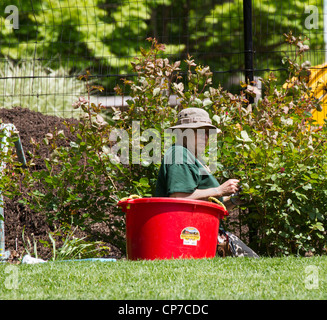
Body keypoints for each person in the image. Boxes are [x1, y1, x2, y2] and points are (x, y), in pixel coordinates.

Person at [155, 107, 258, 258]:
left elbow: (206, 203)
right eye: (200, 131)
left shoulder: (190, 157)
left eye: (208, 132)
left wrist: (234, 200)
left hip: (200, 233)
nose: (206, 137)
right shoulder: (179, 154)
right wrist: (219, 190)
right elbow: (178, 199)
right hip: (187, 237)